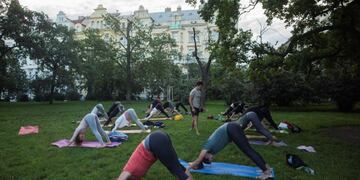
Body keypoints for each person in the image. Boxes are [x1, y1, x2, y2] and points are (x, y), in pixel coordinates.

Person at [189, 122, 273, 180]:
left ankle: (266, 172)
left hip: (231, 128)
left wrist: (189, 166)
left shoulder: (206, 147)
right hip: (231, 129)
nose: (212, 158)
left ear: (205, 156)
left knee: (248, 151)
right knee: (249, 150)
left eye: (210, 159)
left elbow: (198, 160)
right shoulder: (212, 150)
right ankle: (266, 167)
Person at [118, 131, 193, 180]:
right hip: (158, 137)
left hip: (155, 142)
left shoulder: (128, 171)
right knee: (178, 167)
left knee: (178, 172)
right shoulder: (135, 175)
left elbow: (121, 178)